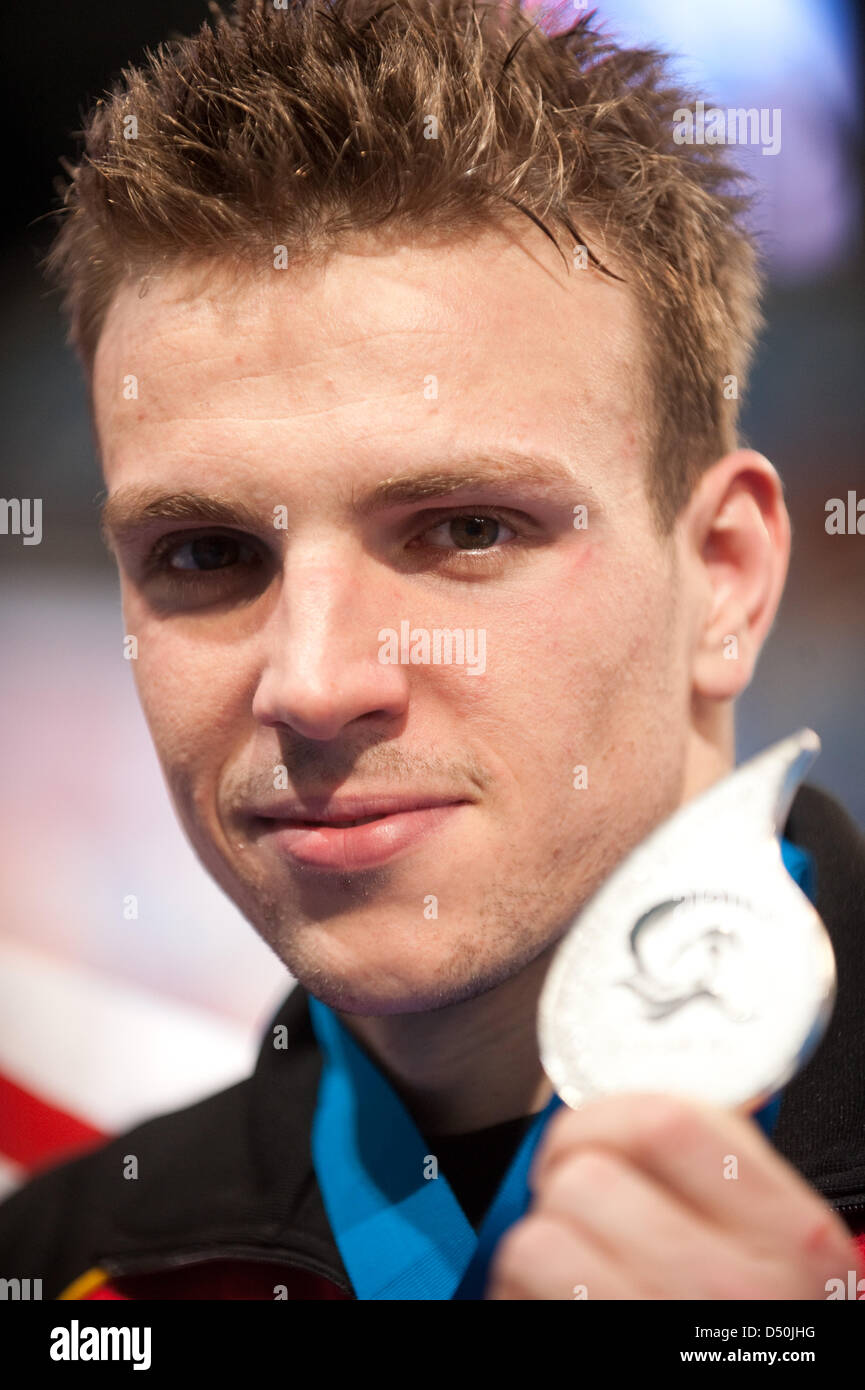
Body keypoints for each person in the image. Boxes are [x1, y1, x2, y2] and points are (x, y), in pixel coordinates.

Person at [1, 0, 863, 1300]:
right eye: (206, 552)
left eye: (464, 528)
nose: (313, 681)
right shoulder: (71, 1268)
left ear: (724, 578)